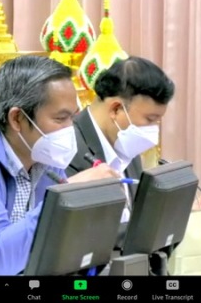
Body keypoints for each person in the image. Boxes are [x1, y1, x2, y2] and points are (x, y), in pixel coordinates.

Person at [0, 56, 121, 275]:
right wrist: (65, 195)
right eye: (60, 119)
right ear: (17, 118)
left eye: (72, 118)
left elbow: (60, 244)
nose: (69, 129)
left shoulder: (45, 154)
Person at [66, 56, 176, 225]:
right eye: (150, 119)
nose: (153, 128)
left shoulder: (126, 144)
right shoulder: (69, 149)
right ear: (116, 109)